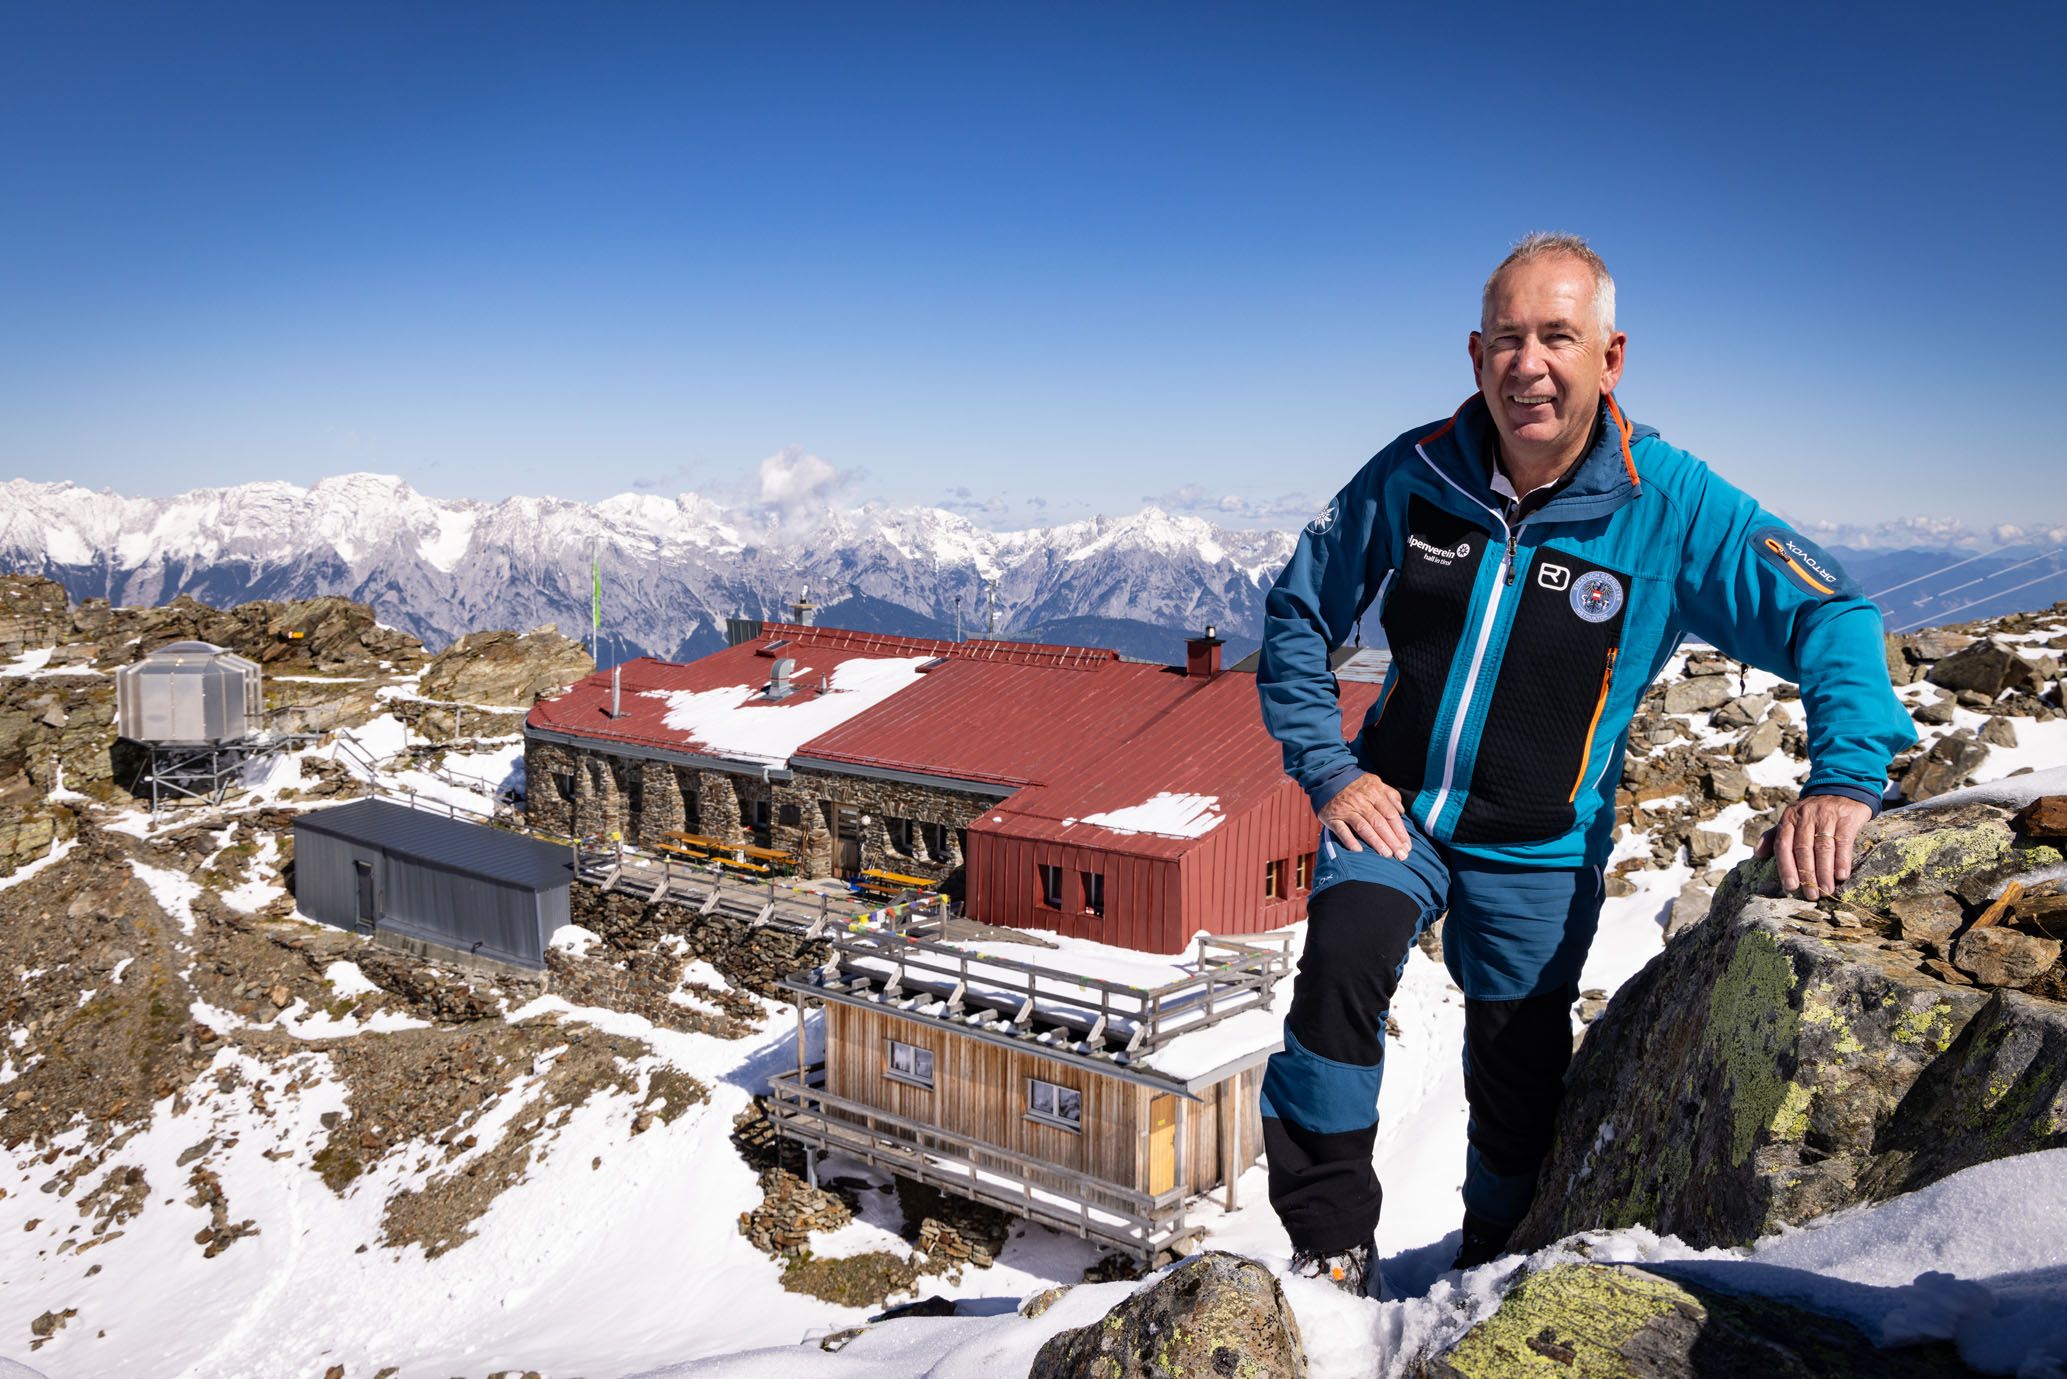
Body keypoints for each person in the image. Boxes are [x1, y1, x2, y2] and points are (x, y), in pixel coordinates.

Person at [1253, 232, 1914, 1296]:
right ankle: (1327, 1245)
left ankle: (1488, 1261)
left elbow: (1834, 609)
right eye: (1508, 339)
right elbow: (1297, 614)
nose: (1530, 363)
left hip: (1540, 844)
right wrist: (1331, 770)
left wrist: (1845, 774)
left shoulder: (1672, 503)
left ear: (1610, 357)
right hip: (1397, 811)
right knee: (1342, 961)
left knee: (1516, 1079)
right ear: (1475, 355)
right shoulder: (1414, 472)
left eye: (1558, 336)